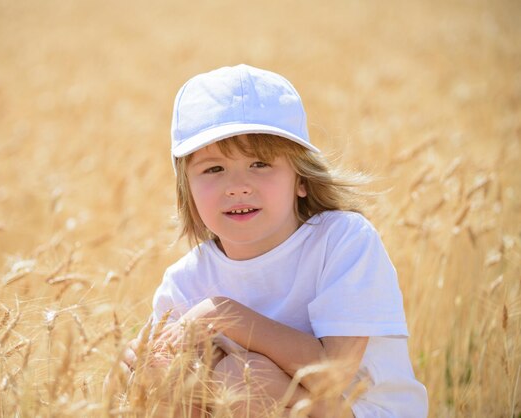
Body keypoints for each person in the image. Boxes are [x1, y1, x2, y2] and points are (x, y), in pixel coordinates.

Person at [123, 64, 428, 417]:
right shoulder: (185, 280)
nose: (237, 185)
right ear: (186, 191)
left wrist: (225, 314)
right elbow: (140, 390)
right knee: (168, 379)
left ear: (301, 180)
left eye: (260, 164)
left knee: (242, 377)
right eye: (213, 169)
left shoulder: (342, 240)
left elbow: (332, 376)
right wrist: (131, 368)